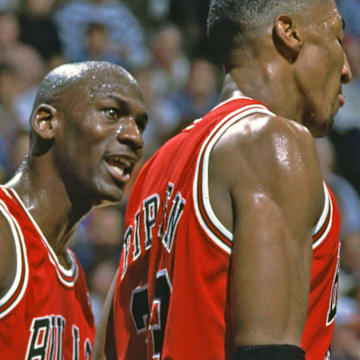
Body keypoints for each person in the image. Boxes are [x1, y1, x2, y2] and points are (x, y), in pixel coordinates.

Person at [95, 0, 352, 359]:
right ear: (289, 33)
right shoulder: (273, 141)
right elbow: (268, 351)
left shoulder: (155, 168)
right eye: (337, 38)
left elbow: (106, 349)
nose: (345, 69)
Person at [0, 60, 147, 358]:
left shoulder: (75, 277)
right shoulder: (5, 231)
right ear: (46, 122)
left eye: (140, 124)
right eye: (112, 113)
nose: (135, 137)